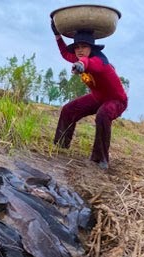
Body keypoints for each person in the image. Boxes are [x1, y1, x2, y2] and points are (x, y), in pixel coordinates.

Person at [52, 22, 128, 170]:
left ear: (91, 48)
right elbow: (65, 54)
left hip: (116, 100)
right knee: (69, 109)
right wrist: (57, 36)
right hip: (98, 98)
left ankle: (100, 159)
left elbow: (89, 63)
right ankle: (61, 145)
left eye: (84, 47)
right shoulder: (79, 57)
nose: (80, 50)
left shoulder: (100, 61)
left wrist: (81, 64)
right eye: (77, 47)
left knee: (103, 114)